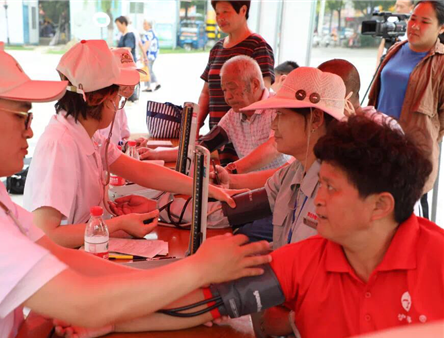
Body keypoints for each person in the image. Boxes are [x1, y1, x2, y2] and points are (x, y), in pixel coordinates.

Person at [0, 42, 272, 338]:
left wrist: (179, 288)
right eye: (20, 115)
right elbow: (83, 303)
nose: (29, 129)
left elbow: (67, 258)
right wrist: (197, 273)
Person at [58, 116, 444, 338]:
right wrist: (111, 322)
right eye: (319, 183)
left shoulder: (437, 262)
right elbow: (206, 303)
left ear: (380, 206)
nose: (318, 198)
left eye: (330, 188)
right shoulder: (305, 259)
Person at [23, 40, 239, 249]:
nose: (118, 106)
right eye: (116, 99)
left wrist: (204, 189)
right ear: (97, 98)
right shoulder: (60, 144)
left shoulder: (89, 135)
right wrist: (117, 224)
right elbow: (46, 235)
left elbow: (141, 171)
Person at [140, 55, 288, 175]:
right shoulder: (233, 116)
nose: (227, 97)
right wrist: (155, 154)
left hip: (281, 190)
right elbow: (203, 146)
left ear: (255, 84)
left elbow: (273, 147)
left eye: (232, 88)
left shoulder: (278, 108)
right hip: (248, 185)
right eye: (224, 90)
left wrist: (231, 170)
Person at [368, 0, 444, 217]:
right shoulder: (395, 49)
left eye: (425, 22)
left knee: (408, 216)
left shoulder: (441, 62)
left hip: (412, 155)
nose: (415, 26)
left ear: (441, 28)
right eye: (413, 18)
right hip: (377, 145)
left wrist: (423, 134)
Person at [198, 0, 275, 165]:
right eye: (217, 13)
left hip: (248, 136)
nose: (220, 18)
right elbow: (206, 92)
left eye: (225, 12)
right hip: (221, 132)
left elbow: (262, 95)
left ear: (243, 10)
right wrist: (194, 127)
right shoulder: (216, 49)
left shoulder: (258, 46)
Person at [375, 0, 415, 68]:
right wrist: (377, 66)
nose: (398, 10)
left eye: (401, 7)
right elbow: (383, 44)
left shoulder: (415, 23)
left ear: (411, 7)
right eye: (396, 6)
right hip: (388, 62)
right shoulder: (390, 20)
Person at [142, 19, 161, 92]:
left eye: (144, 24)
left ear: (148, 25)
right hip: (154, 55)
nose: (143, 25)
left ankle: (149, 86)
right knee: (149, 70)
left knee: (147, 70)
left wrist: (143, 55)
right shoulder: (154, 32)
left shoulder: (148, 34)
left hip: (148, 55)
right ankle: (156, 83)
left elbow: (147, 44)